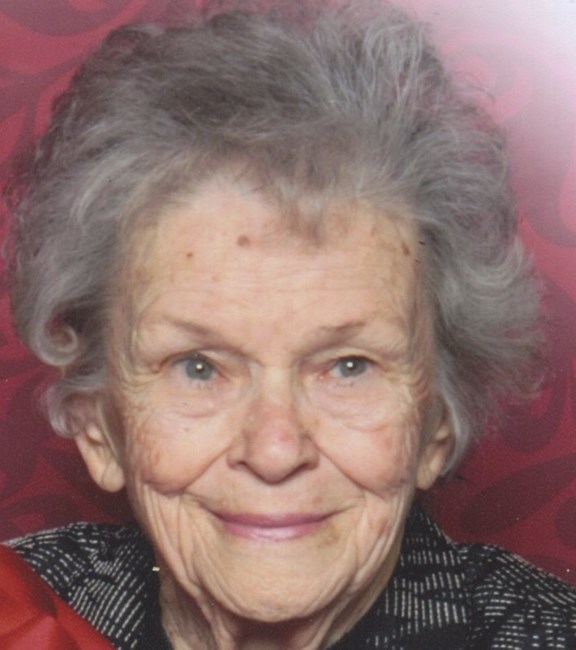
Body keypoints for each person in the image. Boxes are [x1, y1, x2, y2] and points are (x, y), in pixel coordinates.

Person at [3, 0, 576, 648]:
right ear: (99, 429)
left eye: (349, 367)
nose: (275, 451)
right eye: (198, 367)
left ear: (436, 427)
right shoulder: (17, 605)